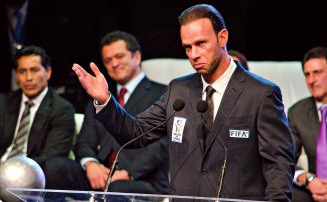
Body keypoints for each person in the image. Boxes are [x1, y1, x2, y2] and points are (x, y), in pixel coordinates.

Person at [72, 4, 295, 201]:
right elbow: (134, 132)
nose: (194, 54)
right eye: (188, 47)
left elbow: (278, 163)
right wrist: (104, 100)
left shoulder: (260, 93)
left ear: (222, 37)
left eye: (200, 43)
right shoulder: (179, 91)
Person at [45, 31, 169, 194]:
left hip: (140, 179)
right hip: (99, 177)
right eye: (108, 60)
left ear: (137, 56)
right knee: (55, 167)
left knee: (117, 189)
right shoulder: (100, 94)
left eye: (119, 56)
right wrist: (90, 164)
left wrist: (129, 173)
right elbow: (84, 141)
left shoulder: (163, 93)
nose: (114, 64)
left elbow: (161, 145)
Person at [0, 45, 75, 196]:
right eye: (22, 71)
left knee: (51, 169)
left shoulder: (62, 109)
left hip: (31, 176)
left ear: (48, 72)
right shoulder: (2, 102)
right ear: (16, 75)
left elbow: (50, 156)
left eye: (35, 70)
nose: (28, 77)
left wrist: (5, 171)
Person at [288, 46, 327, 202]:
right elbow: (284, 159)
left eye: (317, 72)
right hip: (315, 189)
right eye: (307, 75)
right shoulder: (297, 113)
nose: (311, 80)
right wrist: (308, 179)